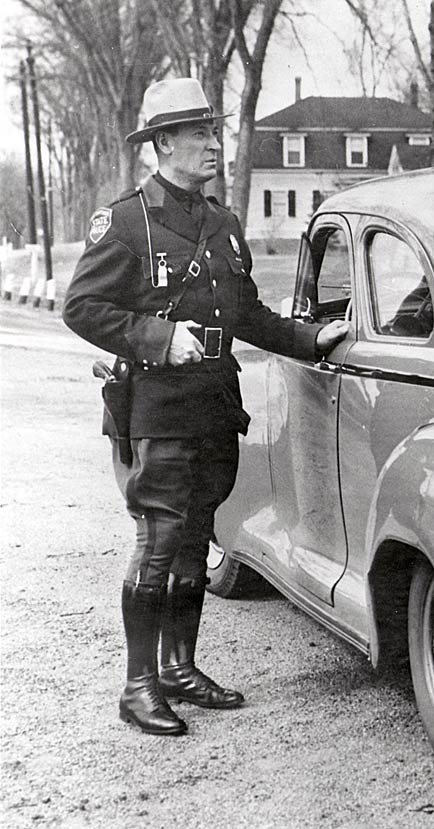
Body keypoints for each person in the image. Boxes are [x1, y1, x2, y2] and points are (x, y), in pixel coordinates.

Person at [63, 78, 349, 736]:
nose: (213, 144)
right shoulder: (127, 221)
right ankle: (138, 685)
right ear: (162, 145)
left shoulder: (222, 223)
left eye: (214, 132)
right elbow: (83, 307)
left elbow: (245, 311)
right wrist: (159, 338)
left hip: (216, 402)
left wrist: (309, 337)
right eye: (199, 133)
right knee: (159, 545)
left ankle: (179, 667)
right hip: (159, 409)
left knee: (196, 543)